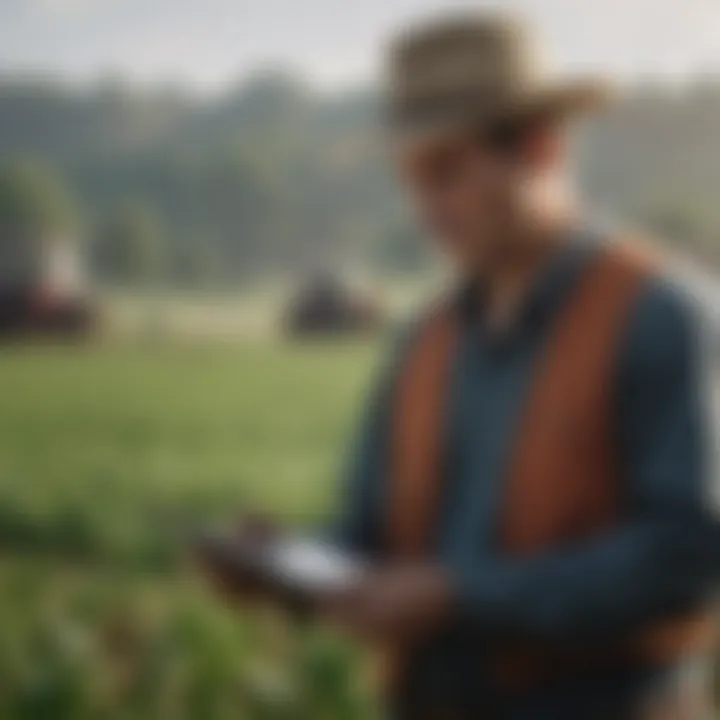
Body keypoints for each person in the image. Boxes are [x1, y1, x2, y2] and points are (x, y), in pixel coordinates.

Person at [204, 12, 719, 719]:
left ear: (539, 148)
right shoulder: (423, 341)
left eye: (447, 173)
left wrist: (459, 595)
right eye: (412, 180)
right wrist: (290, 567)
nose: (426, 209)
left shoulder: (664, 316)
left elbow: (688, 554)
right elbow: (372, 530)